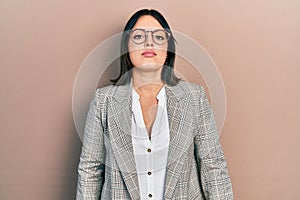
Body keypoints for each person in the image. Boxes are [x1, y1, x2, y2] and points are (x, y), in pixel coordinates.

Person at [76, 9, 234, 200]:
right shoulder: (103, 102)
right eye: (139, 36)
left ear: (168, 49)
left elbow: (213, 166)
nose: (149, 42)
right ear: (126, 46)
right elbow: (90, 171)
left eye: (159, 36)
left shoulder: (194, 98)